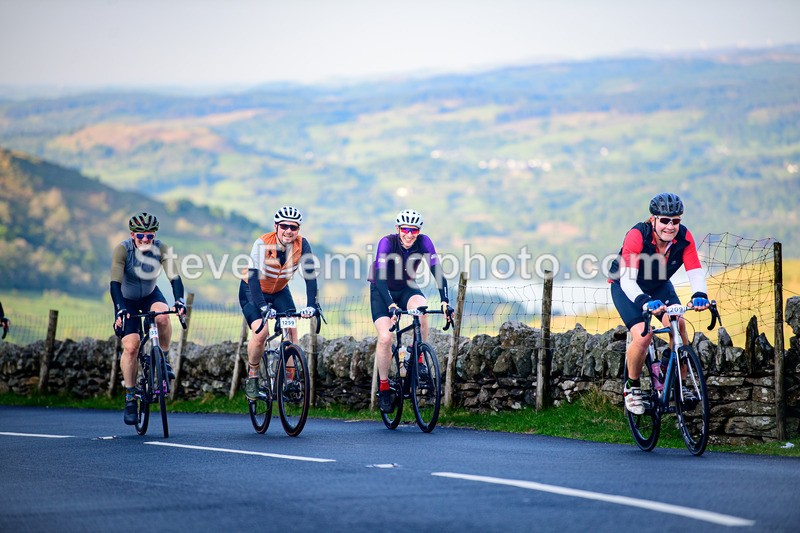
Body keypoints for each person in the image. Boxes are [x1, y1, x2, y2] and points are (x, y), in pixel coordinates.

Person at [609, 193, 711, 415]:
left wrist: (700, 294)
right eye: (665, 220)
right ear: (653, 219)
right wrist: (644, 302)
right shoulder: (638, 236)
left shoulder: (684, 237)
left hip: (658, 285)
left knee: (679, 325)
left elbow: (694, 270)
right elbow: (627, 281)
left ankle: (679, 384)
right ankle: (632, 387)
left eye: (676, 220)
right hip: (627, 286)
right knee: (644, 335)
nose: (670, 226)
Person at [369, 209, 453, 413]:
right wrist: (391, 305)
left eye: (413, 230)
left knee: (421, 310)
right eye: (405, 229)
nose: (409, 234)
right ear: (398, 229)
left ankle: (418, 360)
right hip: (382, 290)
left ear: (418, 231)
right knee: (386, 339)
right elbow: (380, 278)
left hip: (407, 286)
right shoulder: (387, 243)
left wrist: (444, 300)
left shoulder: (424, 242)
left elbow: (437, 270)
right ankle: (384, 387)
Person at [110, 212, 187, 425]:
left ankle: (163, 358)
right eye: (141, 236)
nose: (145, 240)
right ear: (133, 235)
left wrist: (179, 301)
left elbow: (175, 277)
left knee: (163, 316)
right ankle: (130, 397)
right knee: (132, 347)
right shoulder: (122, 250)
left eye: (150, 236)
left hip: (151, 295)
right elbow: (115, 283)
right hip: (127, 301)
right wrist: (119, 310)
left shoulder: (162, 249)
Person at [239, 205, 319, 400]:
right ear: (276, 226)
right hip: (252, 291)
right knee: (261, 333)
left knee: (292, 331)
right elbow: (254, 278)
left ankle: (290, 382)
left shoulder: (302, 244)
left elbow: (310, 276)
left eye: (294, 227)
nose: (289, 231)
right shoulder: (262, 244)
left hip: (280, 291)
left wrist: (312, 305)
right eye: (284, 226)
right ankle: (253, 378)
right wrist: (263, 307)